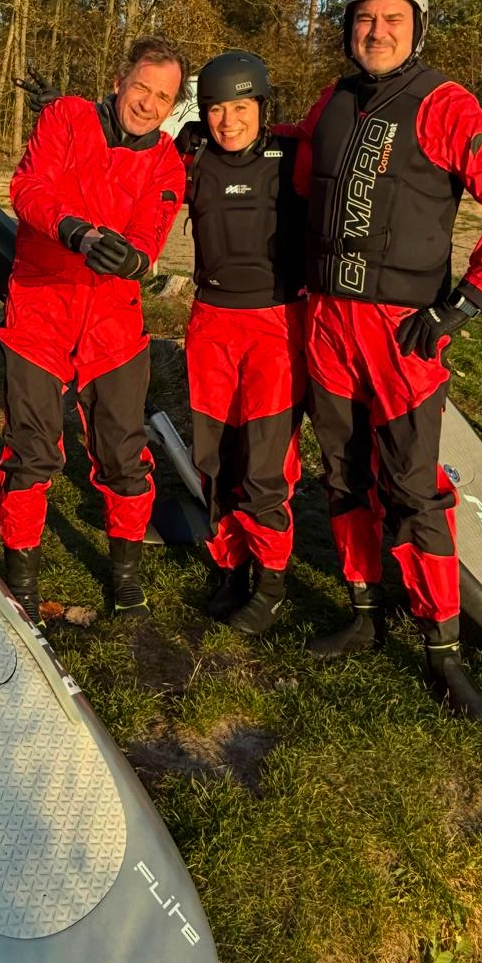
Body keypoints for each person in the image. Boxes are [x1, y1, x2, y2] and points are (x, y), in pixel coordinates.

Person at [294, 0, 482, 719]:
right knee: (343, 473)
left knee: (412, 487)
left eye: (392, 20)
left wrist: (464, 302)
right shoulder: (330, 101)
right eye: (364, 19)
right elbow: (291, 164)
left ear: (416, 28)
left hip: (401, 329)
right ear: (347, 28)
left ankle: (441, 649)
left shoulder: (442, 103)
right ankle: (364, 613)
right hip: (328, 322)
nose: (375, 31)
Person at [0, 36, 187, 624]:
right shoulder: (67, 116)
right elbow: (30, 188)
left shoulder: (167, 161)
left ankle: (124, 573)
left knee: (123, 454)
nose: (149, 104)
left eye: (163, 97)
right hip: (41, 309)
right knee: (31, 452)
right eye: (142, 88)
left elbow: (152, 226)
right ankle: (22, 578)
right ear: (118, 81)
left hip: (113, 322)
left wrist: (137, 258)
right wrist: (74, 230)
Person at [182, 51, 309, 635]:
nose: (227, 120)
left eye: (239, 107)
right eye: (215, 108)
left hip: (276, 325)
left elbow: (371, 150)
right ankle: (229, 564)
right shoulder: (191, 158)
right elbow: (120, 162)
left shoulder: (295, 155)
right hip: (211, 322)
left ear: (262, 107)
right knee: (215, 458)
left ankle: (272, 579)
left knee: (265, 463)